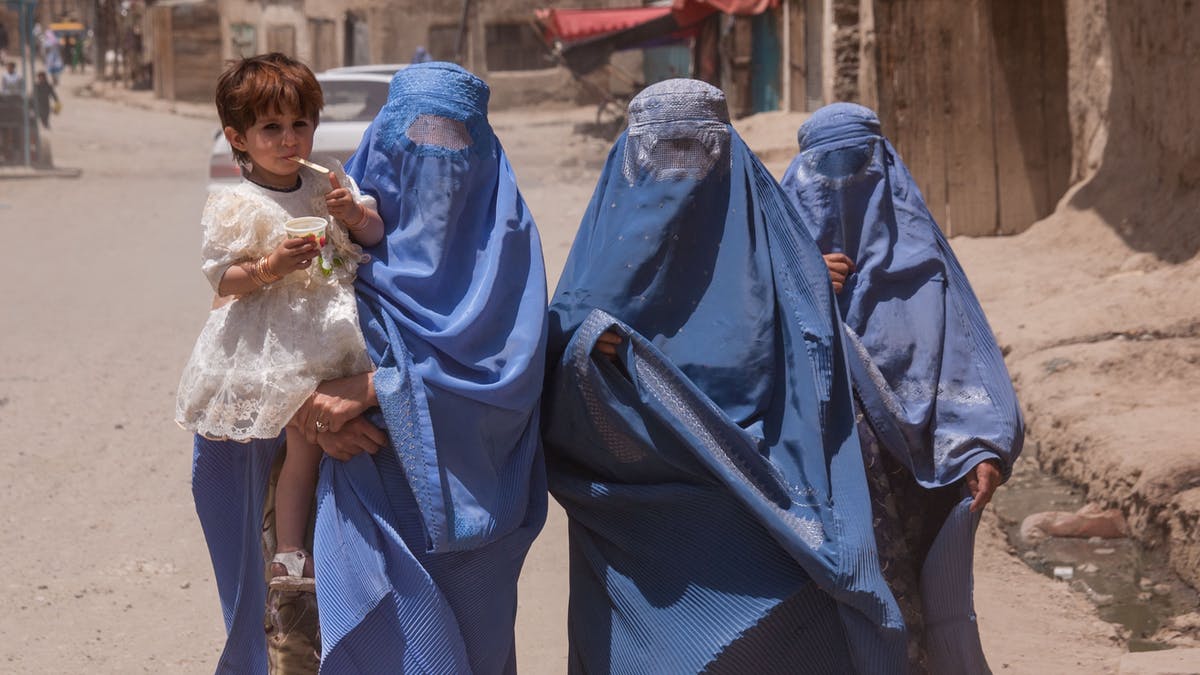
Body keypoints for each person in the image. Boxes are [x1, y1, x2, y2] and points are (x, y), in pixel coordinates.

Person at [192, 61, 550, 673]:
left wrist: (379, 386)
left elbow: (511, 377)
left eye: (453, 142)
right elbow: (251, 326)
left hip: (472, 507)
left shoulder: (505, 246)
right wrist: (307, 407)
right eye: (415, 140)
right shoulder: (335, 213)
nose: (433, 163)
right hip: (348, 486)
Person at [543, 79, 906, 673]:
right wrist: (587, 346)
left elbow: (811, 381)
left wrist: (810, 293)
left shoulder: (778, 252)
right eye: (663, 151)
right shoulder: (604, 258)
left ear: (728, 149)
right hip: (638, 523)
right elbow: (556, 375)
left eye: (697, 149)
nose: (679, 170)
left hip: (761, 513)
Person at [779, 102, 1024, 674]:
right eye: (824, 171)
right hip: (822, 487)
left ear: (885, 169)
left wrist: (984, 445)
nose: (841, 190)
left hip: (917, 484)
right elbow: (752, 362)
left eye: (857, 168)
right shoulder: (781, 271)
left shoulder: (925, 269)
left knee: (912, 629)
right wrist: (802, 285)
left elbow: (968, 362)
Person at [176, 52, 385, 601]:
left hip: (331, 335)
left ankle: (322, 557)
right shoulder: (237, 204)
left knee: (319, 449)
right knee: (300, 443)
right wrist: (271, 266)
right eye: (271, 127)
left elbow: (373, 233)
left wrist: (354, 215)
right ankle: (290, 559)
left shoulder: (329, 183)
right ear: (238, 137)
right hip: (274, 343)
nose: (290, 139)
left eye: (300, 124)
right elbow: (224, 278)